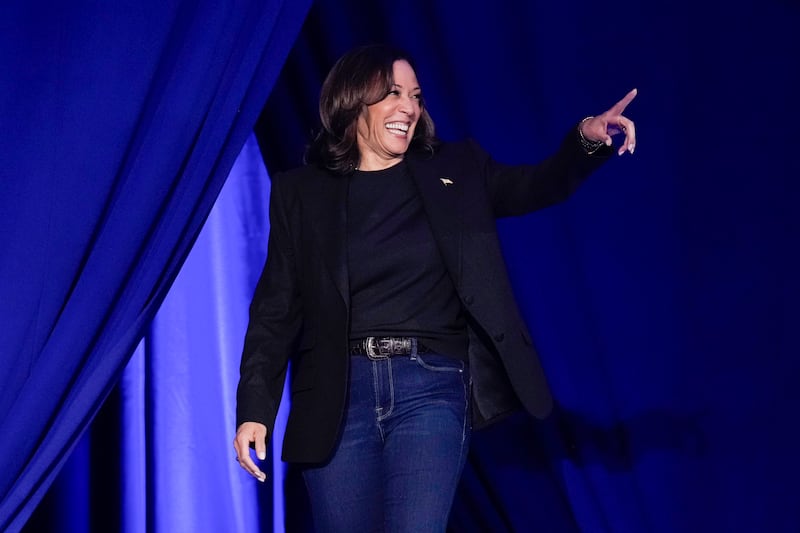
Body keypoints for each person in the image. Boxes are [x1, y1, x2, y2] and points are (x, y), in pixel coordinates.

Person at [233, 43, 636, 532]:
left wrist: (585, 141)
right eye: (394, 94)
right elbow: (276, 309)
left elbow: (538, 185)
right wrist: (255, 408)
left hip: (430, 389)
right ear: (354, 100)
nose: (409, 107)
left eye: (416, 96)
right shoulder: (301, 193)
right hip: (338, 396)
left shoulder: (459, 169)